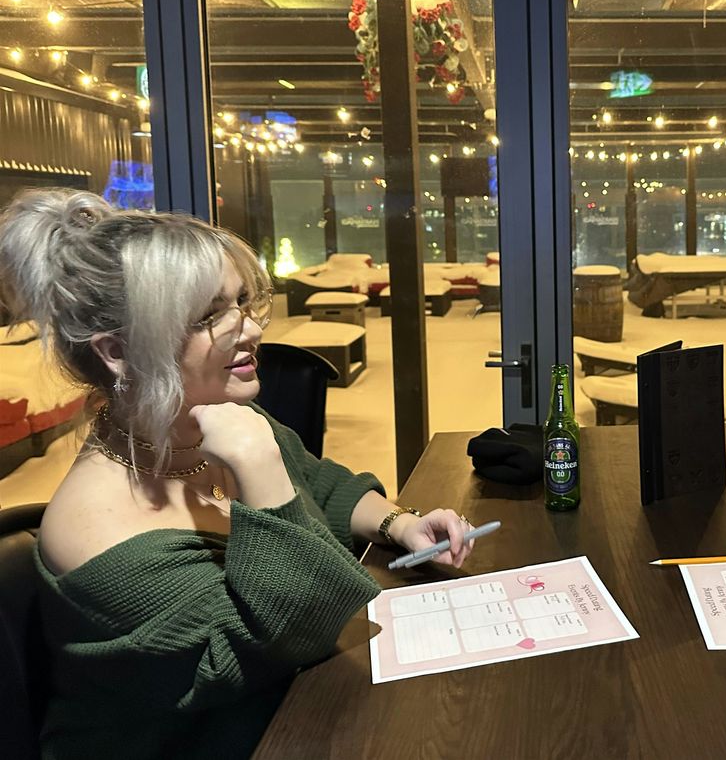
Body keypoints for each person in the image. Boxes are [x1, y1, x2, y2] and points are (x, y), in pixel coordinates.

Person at [0, 189, 477, 760]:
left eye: (242, 302)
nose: (249, 330)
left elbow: (321, 487)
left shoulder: (218, 420)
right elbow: (288, 638)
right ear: (117, 351)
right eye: (207, 316)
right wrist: (260, 470)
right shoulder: (93, 529)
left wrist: (399, 524)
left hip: (294, 712)